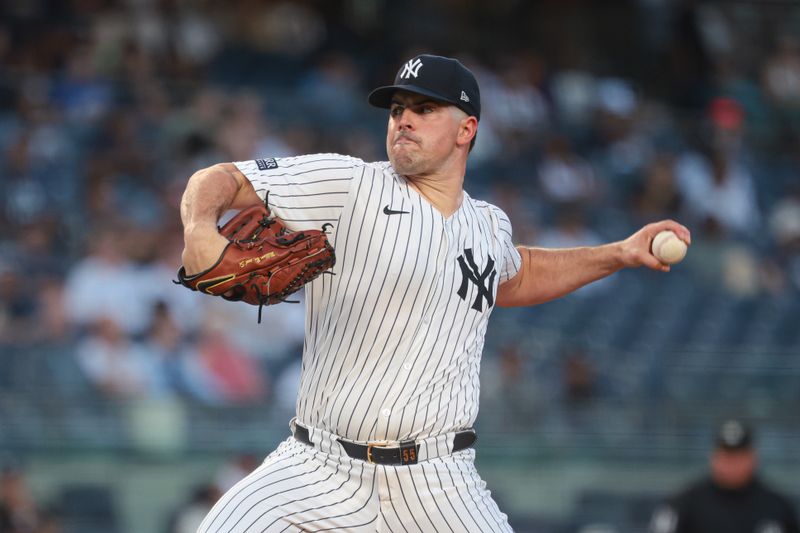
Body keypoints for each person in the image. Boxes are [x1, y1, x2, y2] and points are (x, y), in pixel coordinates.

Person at [179, 53, 691, 532]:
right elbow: (220, 177)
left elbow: (518, 275)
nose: (404, 119)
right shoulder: (349, 185)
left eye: (424, 109)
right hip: (317, 467)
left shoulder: (488, 225)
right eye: (398, 109)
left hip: (439, 481)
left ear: (467, 129)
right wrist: (201, 225)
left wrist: (620, 253)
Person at [649, 419, 800, 533]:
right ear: (714, 457)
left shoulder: (777, 506)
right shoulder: (683, 503)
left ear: (753, 458)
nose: (732, 464)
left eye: (739, 456)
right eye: (727, 456)